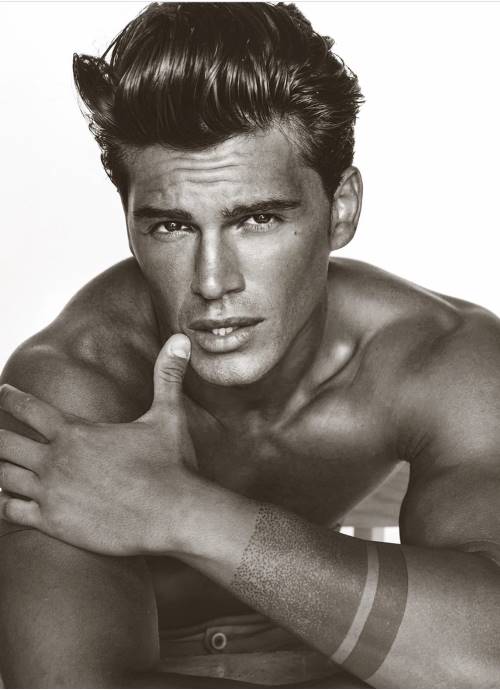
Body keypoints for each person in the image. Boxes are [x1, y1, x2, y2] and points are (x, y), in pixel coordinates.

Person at [0, 2, 499, 687]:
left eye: (257, 219)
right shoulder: (70, 389)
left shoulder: (443, 357)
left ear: (341, 210)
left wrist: (181, 511)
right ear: (129, 223)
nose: (212, 282)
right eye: (172, 227)